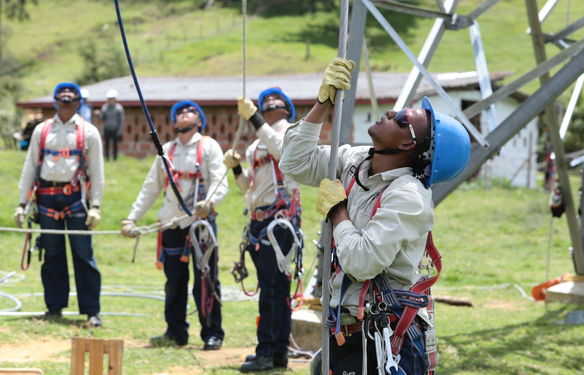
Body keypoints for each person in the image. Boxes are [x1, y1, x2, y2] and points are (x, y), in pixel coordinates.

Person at [279, 58, 471, 375]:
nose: (389, 113)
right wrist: (322, 104)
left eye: (400, 119)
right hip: (347, 331)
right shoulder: (356, 162)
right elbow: (295, 162)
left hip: (383, 339)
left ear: (408, 143)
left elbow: (362, 262)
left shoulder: (407, 197)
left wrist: (337, 210)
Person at [120, 100, 228, 350]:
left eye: (189, 111)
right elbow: (151, 187)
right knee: (174, 282)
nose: (182, 113)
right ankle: (175, 331)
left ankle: (212, 332)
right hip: (172, 224)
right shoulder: (166, 150)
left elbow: (220, 181)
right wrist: (132, 217)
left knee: (206, 281)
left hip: (201, 225)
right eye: (178, 112)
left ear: (199, 120)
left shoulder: (209, 146)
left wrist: (208, 202)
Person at [222, 88, 302, 372]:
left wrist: (255, 117)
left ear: (286, 109)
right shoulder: (256, 146)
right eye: (264, 102)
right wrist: (236, 171)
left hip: (280, 222)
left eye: (274, 101)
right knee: (272, 288)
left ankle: (267, 352)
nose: (268, 103)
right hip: (261, 220)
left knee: (274, 289)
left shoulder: (290, 132)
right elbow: (250, 191)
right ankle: (277, 351)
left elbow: (281, 150)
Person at [14, 82, 104, 327]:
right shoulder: (42, 131)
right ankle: (54, 308)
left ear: (78, 102)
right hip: (47, 197)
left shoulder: (89, 132)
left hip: (76, 199)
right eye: (62, 96)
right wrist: (22, 203)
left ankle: (91, 311)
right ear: (55, 101)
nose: (66, 99)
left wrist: (96, 206)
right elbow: (30, 166)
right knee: (52, 254)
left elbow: (97, 171)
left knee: (83, 255)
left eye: (71, 96)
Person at [99, 89, 124, 161]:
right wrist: (99, 114)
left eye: (111, 99)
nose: (110, 100)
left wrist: (119, 130)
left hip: (115, 129)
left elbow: (121, 120)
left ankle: (115, 158)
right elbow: (102, 118)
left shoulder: (119, 108)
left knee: (115, 145)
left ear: (115, 99)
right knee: (106, 144)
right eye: (109, 99)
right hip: (107, 128)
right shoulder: (104, 107)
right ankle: (107, 158)